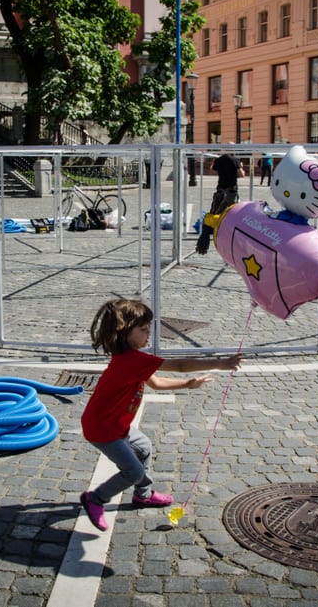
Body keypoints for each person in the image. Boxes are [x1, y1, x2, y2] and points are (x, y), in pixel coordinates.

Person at [79, 298, 242, 531]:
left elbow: (155, 383)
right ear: (124, 332)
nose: (148, 335)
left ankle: (143, 495)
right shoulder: (133, 360)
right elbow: (180, 365)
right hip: (102, 429)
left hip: (114, 425)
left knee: (143, 447)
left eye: (149, 329)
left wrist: (188, 384)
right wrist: (221, 363)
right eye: (143, 330)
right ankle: (96, 499)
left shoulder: (132, 360)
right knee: (133, 471)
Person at [195, 149, 244, 254]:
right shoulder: (235, 160)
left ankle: (204, 242)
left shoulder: (219, 160)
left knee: (213, 214)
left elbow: (212, 171)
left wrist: (215, 163)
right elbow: (242, 174)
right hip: (231, 191)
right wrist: (241, 167)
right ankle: (229, 237)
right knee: (231, 215)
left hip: (220, 190)